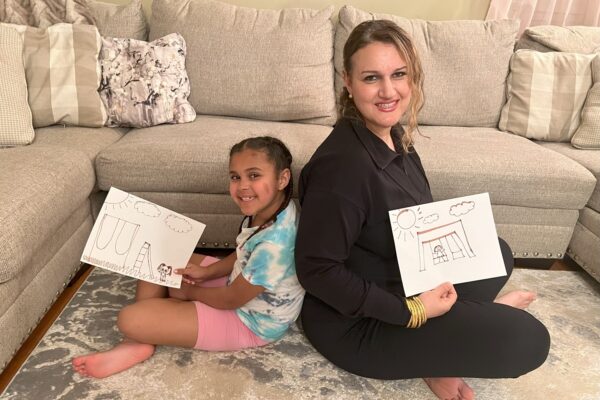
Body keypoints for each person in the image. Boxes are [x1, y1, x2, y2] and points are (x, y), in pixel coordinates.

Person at [294, 20, 550, 400]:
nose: (388, 90)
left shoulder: (393, 135)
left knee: (497, 252)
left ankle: (446, 342)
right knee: (529, 340)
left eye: (399, 74)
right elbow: (317, 271)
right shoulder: (343, 168)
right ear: (347, 82)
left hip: (402, 278)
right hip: (357, 323)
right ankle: (441, 351)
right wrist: (412, 311)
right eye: (371, 78)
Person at [73, 136, 304, 379]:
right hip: (237, 287)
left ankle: (137, 340)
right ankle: (150, 326)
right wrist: (207, 273)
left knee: (130, 318)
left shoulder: (275, 244)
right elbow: (242, 255)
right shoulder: (269, 209)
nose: (242, 186)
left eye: (254, 175)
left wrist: (190, 293)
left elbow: (230, 299)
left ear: (283, 178)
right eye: (235, 177)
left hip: (250, 321)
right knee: (163, 254)